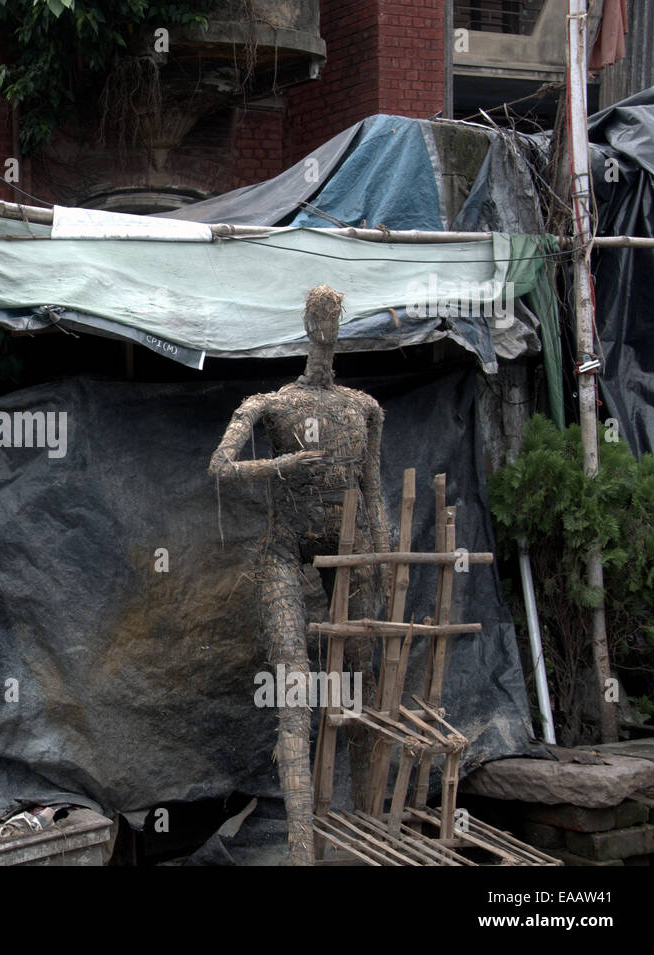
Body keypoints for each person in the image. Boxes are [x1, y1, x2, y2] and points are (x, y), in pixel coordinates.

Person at [208, 285, 391, 865]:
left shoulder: (363, 407)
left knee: (359, 684)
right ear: (309, 320)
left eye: (335, 314)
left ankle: (369, 836)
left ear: (340, 321)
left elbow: (375, 491)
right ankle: (301, 850)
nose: (327, 322)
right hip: (284, 550)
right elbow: (219, 466)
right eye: (320, 314)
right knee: (294, 693)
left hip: (349, 550)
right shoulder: (271, 403)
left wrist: (381, 564)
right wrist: (280, 464)